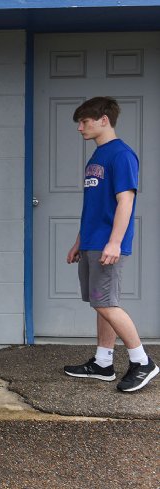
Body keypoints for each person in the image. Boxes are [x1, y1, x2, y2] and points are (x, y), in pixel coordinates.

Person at [64, 96, 157, 392]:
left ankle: (142, 361)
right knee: (100, 304)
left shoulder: (121, 155)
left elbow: (125, 202)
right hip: (92, 241)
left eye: (85, 121)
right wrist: (79, 241)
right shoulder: (97, 157)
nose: (80, 128)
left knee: (106, 303)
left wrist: (115, 242)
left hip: (107, 244)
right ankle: (103, 362)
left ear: (104, 119)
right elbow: (92, 206)